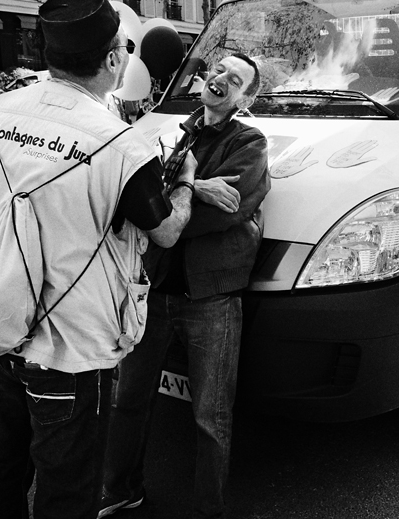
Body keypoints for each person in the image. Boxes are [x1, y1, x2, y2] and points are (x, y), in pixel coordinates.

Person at [0, 0, 195, 519]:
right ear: (114, 58)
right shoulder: (121, 145)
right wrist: (183, 183)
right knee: (67, 483)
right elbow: (163, 231)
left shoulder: (0, 109)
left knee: (0, 459)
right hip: (65, 345)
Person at [100, 53, 270, 519]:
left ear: (246, 97)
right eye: (218, 71)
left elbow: (224, 211)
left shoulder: (250, 141)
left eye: (235, 80)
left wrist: (175, 193)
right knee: (128, 401)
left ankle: (207, 510)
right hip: (152, 292)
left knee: (210, 419)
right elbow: (138, 195)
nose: (220, 80)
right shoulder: (173, 131)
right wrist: (196, 185)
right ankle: (120, 490)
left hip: (211, 299)